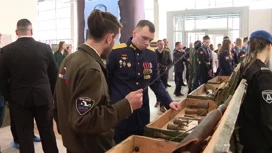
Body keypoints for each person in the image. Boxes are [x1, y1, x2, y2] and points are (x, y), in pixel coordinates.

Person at [53, 10, 144, 153]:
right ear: (109, 38)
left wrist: (67, 134)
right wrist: (127, 105)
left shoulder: (69, 59)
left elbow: (57, 104)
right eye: (115, 40)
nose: (114, 44)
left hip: (73, 144)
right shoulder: (91, 69)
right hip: (90, 147)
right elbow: (84, 120)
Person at [107, 20, 180, 144]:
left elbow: (156, 82)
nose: (147, 43)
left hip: (142, 115)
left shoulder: (151, 55)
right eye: (144, 38)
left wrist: (169, 101)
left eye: (150, 40)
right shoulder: (116, 52)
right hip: (121, 116)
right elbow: (106, 82)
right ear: (134, 33)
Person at [0, 19, 58, 153]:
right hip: (43, 97)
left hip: (19, 100)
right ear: (31, 31)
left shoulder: (5, 51)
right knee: (48, 133)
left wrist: (10, 98)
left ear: (16, 32)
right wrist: (52, 95)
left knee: (24, 136)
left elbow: (2, 80)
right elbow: (54, 75)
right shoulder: (45, 48)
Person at [238, 30, 272, 153]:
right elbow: (268, 118)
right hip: (261, 142)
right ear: (269, 46)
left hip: (248, 135)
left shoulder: (246, 66)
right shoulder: (263, 75)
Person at [154, 40, 172, 113]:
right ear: (157, 45)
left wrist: (167, 67)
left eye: (163, 44)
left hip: (164, 74)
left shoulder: (167, 53)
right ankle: (158, 100)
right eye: (160, 44)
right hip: (156, 74)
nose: (162, 45)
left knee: (163, 89)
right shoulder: (153, 53)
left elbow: (170, 62)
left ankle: (162, 105)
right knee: (157, 88)